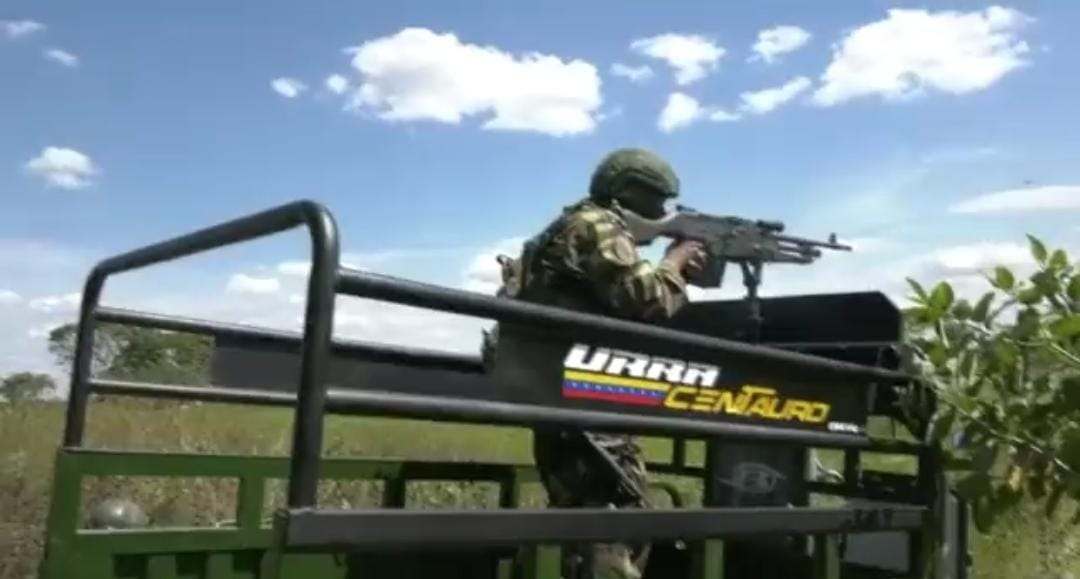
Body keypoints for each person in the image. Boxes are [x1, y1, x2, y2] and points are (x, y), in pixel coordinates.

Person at [492, 147, 706, 579]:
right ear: (627, 191)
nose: (663, 212)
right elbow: (645, 300)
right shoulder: (599, 224)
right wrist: (675, 264)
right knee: (616, 514)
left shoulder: (571, 223)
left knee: (582, 513)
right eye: (657, 201)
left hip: (556, 387)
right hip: (583, 395)